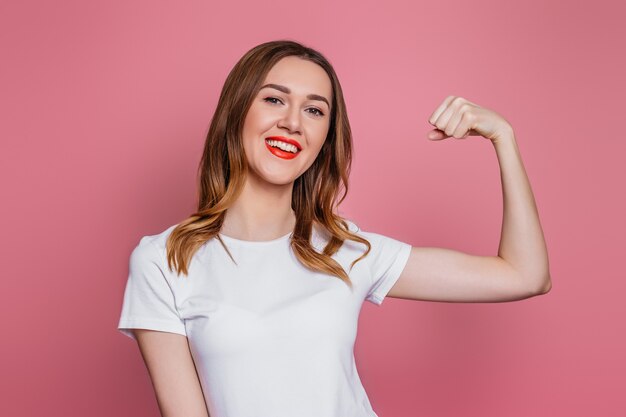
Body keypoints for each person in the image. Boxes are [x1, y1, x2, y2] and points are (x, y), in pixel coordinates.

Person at [117, 39, 551, 417]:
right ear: (237, 112)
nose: (292, 121)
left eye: (313, 109)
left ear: (325, 137)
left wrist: (503, 137)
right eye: (273, 99)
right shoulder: (163, 260)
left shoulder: (346, 250)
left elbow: (524, 275)